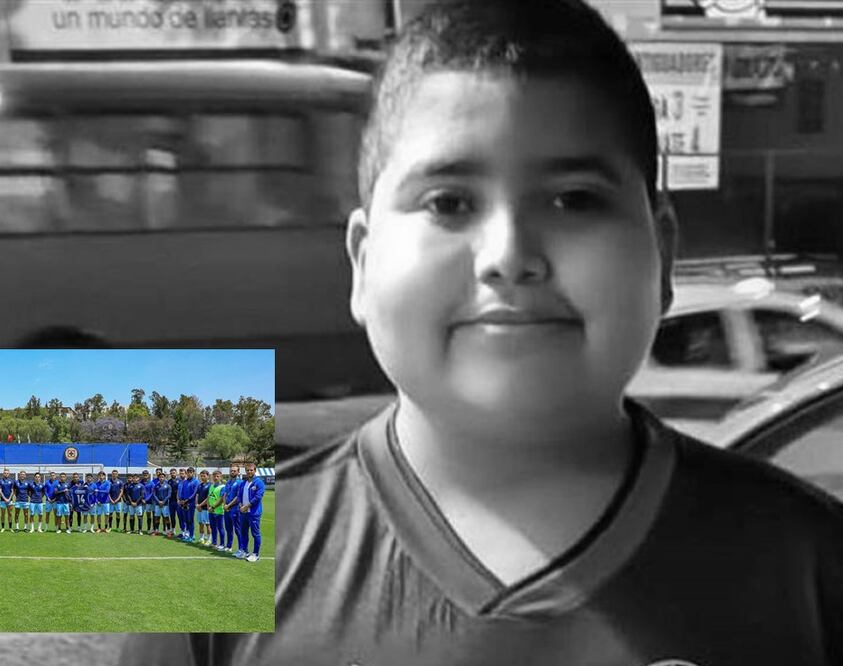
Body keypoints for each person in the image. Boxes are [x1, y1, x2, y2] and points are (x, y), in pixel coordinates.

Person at [124, 1, 843, 662]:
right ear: (362, 263)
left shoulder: (812, 565)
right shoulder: (197, 551)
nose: (508, 255)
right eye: (449, 202)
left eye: (573, 200)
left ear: (662, 256)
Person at [236, 463, 265, 562]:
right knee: (243, 532)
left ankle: (256, 554)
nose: (249, 472)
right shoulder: (243, 483)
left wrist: (246, 506)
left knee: (255, 533)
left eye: (251, 470)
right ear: (245, 471)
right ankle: (245, 551)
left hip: (253, 513)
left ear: (255, 470)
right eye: (247, 470)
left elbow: (258, 497)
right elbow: (239, 496)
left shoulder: (259, 483)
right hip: (243, 512)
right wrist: (241, 506)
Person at [208, 470, 226, 551]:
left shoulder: (223, 487)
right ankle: (214, 542)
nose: (215, 478)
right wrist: (209, 507)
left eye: (217, 476)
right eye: (214, 476)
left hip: (219, 512)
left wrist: (213, 507)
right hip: (211, 511)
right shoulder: (211, 486)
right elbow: (209, 497)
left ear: (221, 477)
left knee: (220, 528)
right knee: (213, 527)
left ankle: (222, 544)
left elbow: (221, 499)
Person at [194, 470, 211, 546]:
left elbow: (208, 498)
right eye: (201, 476)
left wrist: (200, 505)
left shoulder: (210, 485)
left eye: (204, 476)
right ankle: (201, 538)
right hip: (199, 508)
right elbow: (197, 495)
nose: (202, 477)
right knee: (200, 523)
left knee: (208, 524)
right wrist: (197, 505)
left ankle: (209, 539)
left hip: (205, 508)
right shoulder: (199, 485)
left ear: (208, 476)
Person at [153, 470, 171, 536]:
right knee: (157, 518)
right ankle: (156, 530)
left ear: (164, 478)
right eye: (160, 477)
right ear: (158, 478)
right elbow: (154, 494)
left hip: (165, 505)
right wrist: (158, 501)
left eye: (162, 477)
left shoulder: (168, 486)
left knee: (166, 518)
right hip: (157, 505)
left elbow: (169, 495)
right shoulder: (156, 486)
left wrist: (163, 502)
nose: (161, 478)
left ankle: (168, 531)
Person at [141, 470, 156, 534]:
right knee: (140, 515)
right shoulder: (140, 482)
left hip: (149, 502)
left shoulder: (151, 483)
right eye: (144, 474)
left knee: (148, 516)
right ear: (142, 475)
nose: (145, 475)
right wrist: (142, 499)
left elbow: (152, 493)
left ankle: (149, 529)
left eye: (146, 474)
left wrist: (146, 500)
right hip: (141, 502)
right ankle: (140, 529)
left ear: (148, 475)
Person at [167, 468, 180, 537]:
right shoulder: (169, 481)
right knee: (172, 516)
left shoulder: (179, 481)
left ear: (176, 473)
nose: (172, 474)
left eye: (174, 473)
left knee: (180, 516)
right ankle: (173, 529)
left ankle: (182, 531)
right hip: (171, 501)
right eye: (171, 473)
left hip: (178, 502)